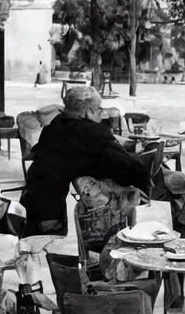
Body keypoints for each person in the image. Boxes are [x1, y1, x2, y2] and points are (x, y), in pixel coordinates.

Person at [9, 85, 159, 235]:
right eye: (99, 109)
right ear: (88, 112)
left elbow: (85, 157)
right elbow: (126, 165)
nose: (102, 113)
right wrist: (146, 170)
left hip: (33, 199)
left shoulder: (55, 125)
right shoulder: (91, 131)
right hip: (49, 209)